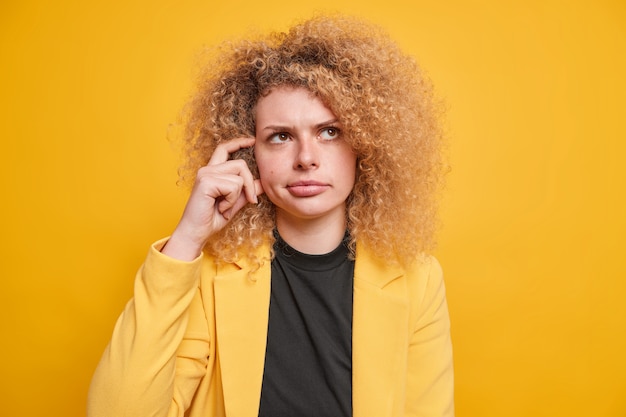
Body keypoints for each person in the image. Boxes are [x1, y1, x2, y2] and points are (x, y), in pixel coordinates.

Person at [87, 14, 454, 417]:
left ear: (365, 144)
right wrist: (187, 240)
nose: (306, 159)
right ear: (248, 153)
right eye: (280, 136)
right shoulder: (206, 273)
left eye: (329, 131)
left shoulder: (417, 279)